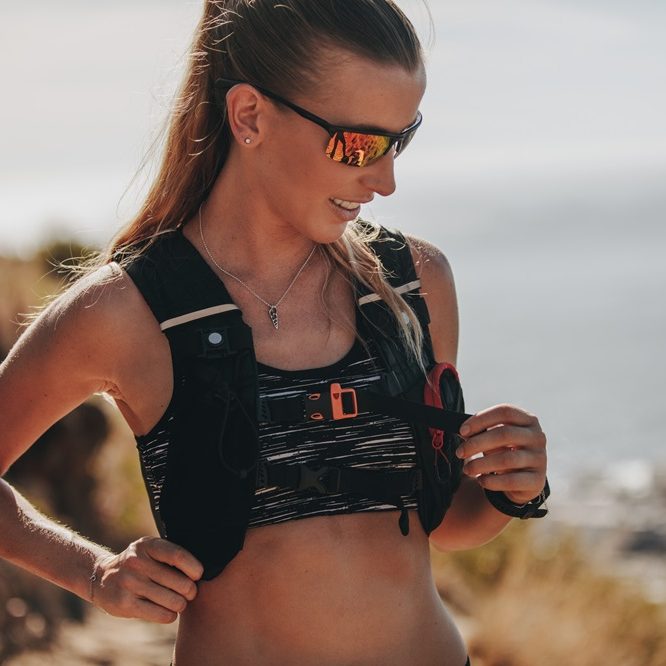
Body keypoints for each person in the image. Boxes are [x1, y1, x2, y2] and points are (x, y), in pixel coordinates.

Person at [0, 1, 548, 664]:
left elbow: (445, 527)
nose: (386, 179)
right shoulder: (127, 310)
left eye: (401, 138)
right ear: (251, 117)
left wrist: (507, 490)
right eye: (359, 145)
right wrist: (92, 572)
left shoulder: (414, 284)